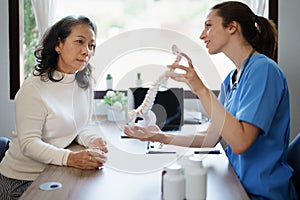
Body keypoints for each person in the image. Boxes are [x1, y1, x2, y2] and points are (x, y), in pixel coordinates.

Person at [124, 1, 297, 199]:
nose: (202, 35)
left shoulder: (263, 70)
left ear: (232, 27)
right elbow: (211, 137)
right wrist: (159, 137)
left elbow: (240, 142)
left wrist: (200, 89)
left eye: (208, 25)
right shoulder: (231, 79)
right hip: (236, 183)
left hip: (261, 193)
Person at [0, 15, 108, 199]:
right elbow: (29, 144)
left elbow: (81, 125)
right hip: (22, 180)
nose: (86, 51)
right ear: (58, 44)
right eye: (80, 42)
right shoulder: (34, 88)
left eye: (91, 45)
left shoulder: (84, 82)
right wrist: (71, 158)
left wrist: (92, 139)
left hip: (56, 170)